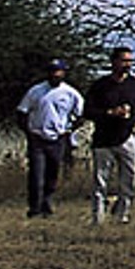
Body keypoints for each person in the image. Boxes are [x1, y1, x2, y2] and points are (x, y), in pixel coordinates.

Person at [17, 59, 83, 219]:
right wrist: (29, 132)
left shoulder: (71, 93)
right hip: (38, 138)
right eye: (53, 71)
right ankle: (35, 208)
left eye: (59, 71)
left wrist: (68, 130)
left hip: (58, 139)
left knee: (52, 174)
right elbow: (22, 112)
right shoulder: (36, 91)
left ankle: (47, 204)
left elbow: (80, 115)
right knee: (36, 176)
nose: (55, 74)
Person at [84, 46, 135, 225]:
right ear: (114, 62)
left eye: (129, 61)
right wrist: (109, 112)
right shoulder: (100, 85)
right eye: (124, 60)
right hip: (103, 139)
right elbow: (88, 111)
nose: (127, 64)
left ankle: (122, 215)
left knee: (130, 179)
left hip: (127, 138)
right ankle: (97, 218)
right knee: (101, 181)